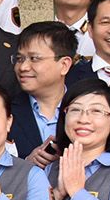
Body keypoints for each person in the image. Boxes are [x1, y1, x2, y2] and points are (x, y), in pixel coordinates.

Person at [9, 22, 79, 162]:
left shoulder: (88, 111)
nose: (23, 67)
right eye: (19, 59)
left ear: (64, 65)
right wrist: (25, 165)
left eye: (34, 59)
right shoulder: (4, 111)